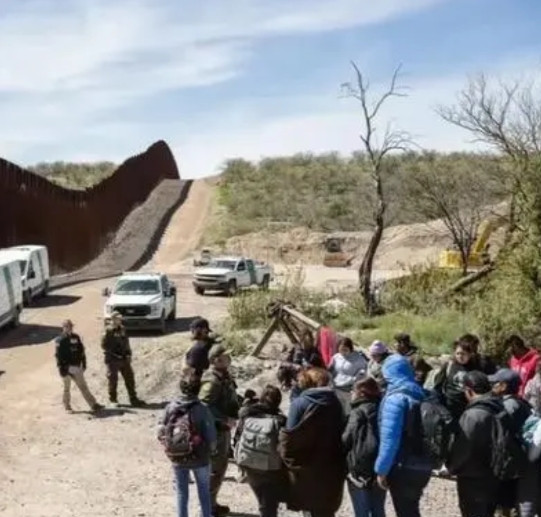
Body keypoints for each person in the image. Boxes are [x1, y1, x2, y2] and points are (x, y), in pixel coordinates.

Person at [279, 367, 346, 517]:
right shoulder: (336, 402)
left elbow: (289, 435)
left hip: (306, 465)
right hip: (332, 464)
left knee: (309, 507)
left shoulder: (300, 404)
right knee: (327, 509)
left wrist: (288, 459)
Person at [374, 354, 431, 517]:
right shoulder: (422, 393)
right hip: (423, 463)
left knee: (405, 511)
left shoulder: (395, 399)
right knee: (412, 508)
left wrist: (381, 470)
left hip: (403, 466)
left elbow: (390, 440)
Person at [158, 369, 217, 517]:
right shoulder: (202, 409)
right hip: (200, 457)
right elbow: (211, 436)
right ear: (198, 389)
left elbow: (160, 431)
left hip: (177, 456)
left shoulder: (170, 407)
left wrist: (171, 446)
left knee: (181, 491)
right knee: (204, 491)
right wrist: (212, 450)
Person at [447, 371, 504, 517]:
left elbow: (463, 448)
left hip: (473, 478)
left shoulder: (473, 415)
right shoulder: (500, 407)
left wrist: (452, 467)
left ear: (469, 390)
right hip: (495, 475)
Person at [199, 345, 240, 516]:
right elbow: (204, 405)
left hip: (223, 427)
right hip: (215, 430)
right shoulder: (212, 381)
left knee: (220, 467)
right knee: (217, 468)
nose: (229, 359)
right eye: (225, 357)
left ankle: (211, 503)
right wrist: (224, 420)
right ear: (215, 360)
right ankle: (206, 508)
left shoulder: (223, 377)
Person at [235, 385, 287, 517]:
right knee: (269, 504)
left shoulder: (246, 414)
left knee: (261, 498)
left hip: (249, 463)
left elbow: (238, 437)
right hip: (270, 468)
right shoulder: (281, 421)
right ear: (278, 401)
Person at [490, 368, 535, 517]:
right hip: (516, 462)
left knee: (504, 504)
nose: (492, 386)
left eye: (495, 383)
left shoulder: (509, 406)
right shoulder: (521, 403)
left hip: (508, 464)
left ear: (504, 386)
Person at [342, 376, 385, 517]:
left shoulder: (357, 412)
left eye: (352, 390)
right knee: (378, 508)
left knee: (361, 511)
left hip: (358, 470)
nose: (351, 394)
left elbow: (347, 439)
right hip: (380, 466)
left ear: (361, 393)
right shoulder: (383, 408)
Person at [55, 319, 103, 413]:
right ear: (63, 327)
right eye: (67, 326)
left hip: (76, 366)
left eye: (71, 326)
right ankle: (67, 407)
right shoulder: (60, 340)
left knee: (83, 386)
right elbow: (58, 356)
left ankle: (93, 405)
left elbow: (81, 350)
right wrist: (62, 368)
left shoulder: (76, 337)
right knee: (67, 389)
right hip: (66, 368)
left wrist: (84, 362)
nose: (70, 328)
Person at [101, 312, 145, 407]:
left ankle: (133, 399)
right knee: (113, 379)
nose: (119, 320)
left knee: (130, 378)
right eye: (117, 318)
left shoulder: (123, 329)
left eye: (120, 318)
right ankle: (113, 400)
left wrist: (129, 353)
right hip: (113, 359)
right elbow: (104, 346)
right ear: (113, 319)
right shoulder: (108, 330)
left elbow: (126, 342)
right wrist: (115, 354)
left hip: (124, 359)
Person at [433, 338, 480, 421]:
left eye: (463, 354)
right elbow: (437, 386)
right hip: (450, 409)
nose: (460, 356)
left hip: (468, 409)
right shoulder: (449, 366)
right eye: (457, 353)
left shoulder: (475, 367)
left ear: (469, 354)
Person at [277, 329, 324, 398]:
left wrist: (312, 366)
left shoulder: (314, 351)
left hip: (309, 376)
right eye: (304, 342)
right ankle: (286, 385)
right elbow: (283, 363)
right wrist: (295, 366)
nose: (306, 345)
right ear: (301, 340)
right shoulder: (295, 348)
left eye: (308, 343)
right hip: (295, 374)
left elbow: (320, 366)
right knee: (281, 370)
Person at [328, 337, 367, 413]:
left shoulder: (358, 358)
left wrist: (355, 381)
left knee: (348, 411)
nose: (343, 352)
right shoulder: (336, 357)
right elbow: (331, 370)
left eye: (345, 350)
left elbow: (363, 372)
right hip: (336, 388)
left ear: (350, 348)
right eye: (341, 349)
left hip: (349, 389)